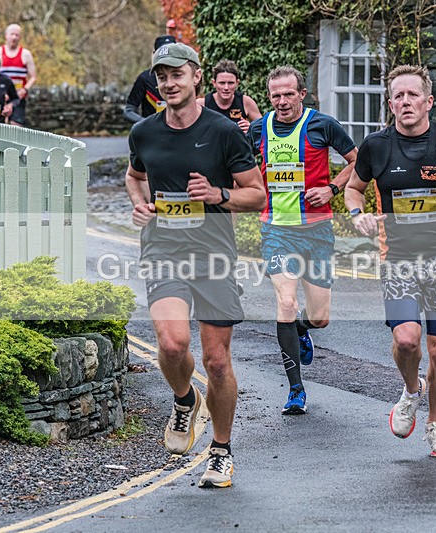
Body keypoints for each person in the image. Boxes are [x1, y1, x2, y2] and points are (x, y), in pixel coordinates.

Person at [125, 43, 266, 488]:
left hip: (212, 254)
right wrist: (139, 204)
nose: (169, 83)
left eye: (177, 75)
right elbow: (135, 176)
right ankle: (185, 399)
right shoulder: (144, 132)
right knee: (170, 345)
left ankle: (221, 451)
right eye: (161, 77)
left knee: (217, 360)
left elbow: (257, 193)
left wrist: (219, 195)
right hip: (163, 249)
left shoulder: (223, 131)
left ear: (196, 76)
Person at [345, 65, 436, 458]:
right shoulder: (376, 146)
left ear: (428, 101)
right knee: (407, 340)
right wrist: (357, 214)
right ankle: (412, 391)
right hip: (399, 260)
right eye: (399, 96)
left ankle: (435, 424)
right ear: (390, 103)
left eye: (413, 95)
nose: (406, 102)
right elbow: (352, 189)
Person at [247, 66, 357, 415]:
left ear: (302, 94)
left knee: (320, 317)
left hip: (317, 232)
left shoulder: (322, 125)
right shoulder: (257, 130)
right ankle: (296, 390)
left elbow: (359, 162)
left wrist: (333, 188)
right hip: (276, 230)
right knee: (285, 303)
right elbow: (238, 167)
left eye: (288, 94)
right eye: (275, 95)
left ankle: (300, 329)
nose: (282, 101)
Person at [196, 60, 262, 134]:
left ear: (237, 83)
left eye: (230, 83)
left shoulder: (246, 102)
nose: (226, 87)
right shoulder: (201, 104)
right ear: (214, 83)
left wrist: (251, 129)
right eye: (222, 83)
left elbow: (263, 129)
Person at [124, 35, 176, 124]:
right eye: (162, 54)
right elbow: (128, 111)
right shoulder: (145, 78)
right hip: (152, 133)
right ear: (154, 54)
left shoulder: (185, 76)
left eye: (172, 53)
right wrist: (147, 124)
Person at [0, 24, 37, 126]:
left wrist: (24, 90)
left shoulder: (26, 54)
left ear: (20, 37)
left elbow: (33, 77)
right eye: (12, 34)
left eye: (17, 35)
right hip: (1, 96)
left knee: (16, 126)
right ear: (6, 35)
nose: (14, 37)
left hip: (18, 96)